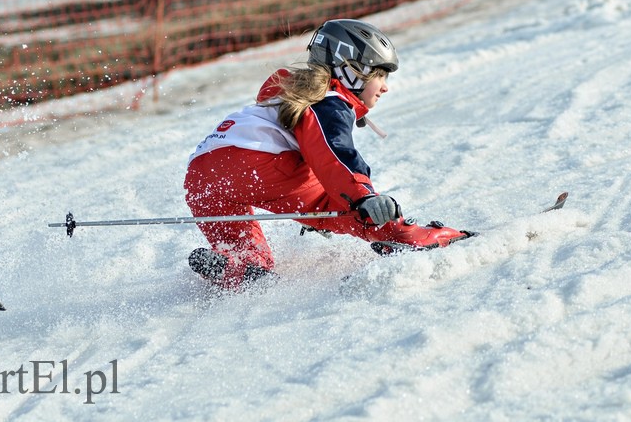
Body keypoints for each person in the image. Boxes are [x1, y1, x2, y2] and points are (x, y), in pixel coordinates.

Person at [184, 19, 473, 289]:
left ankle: (241, 265)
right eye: (379, 75)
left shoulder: (288, 94)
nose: (384, 87)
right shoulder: (328, 101)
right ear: (350, 71)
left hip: (202, 174)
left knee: (239, 238)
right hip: (262, 164)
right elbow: (332, 152)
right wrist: (363, 196)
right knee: (333, 204)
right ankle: (401, 235)